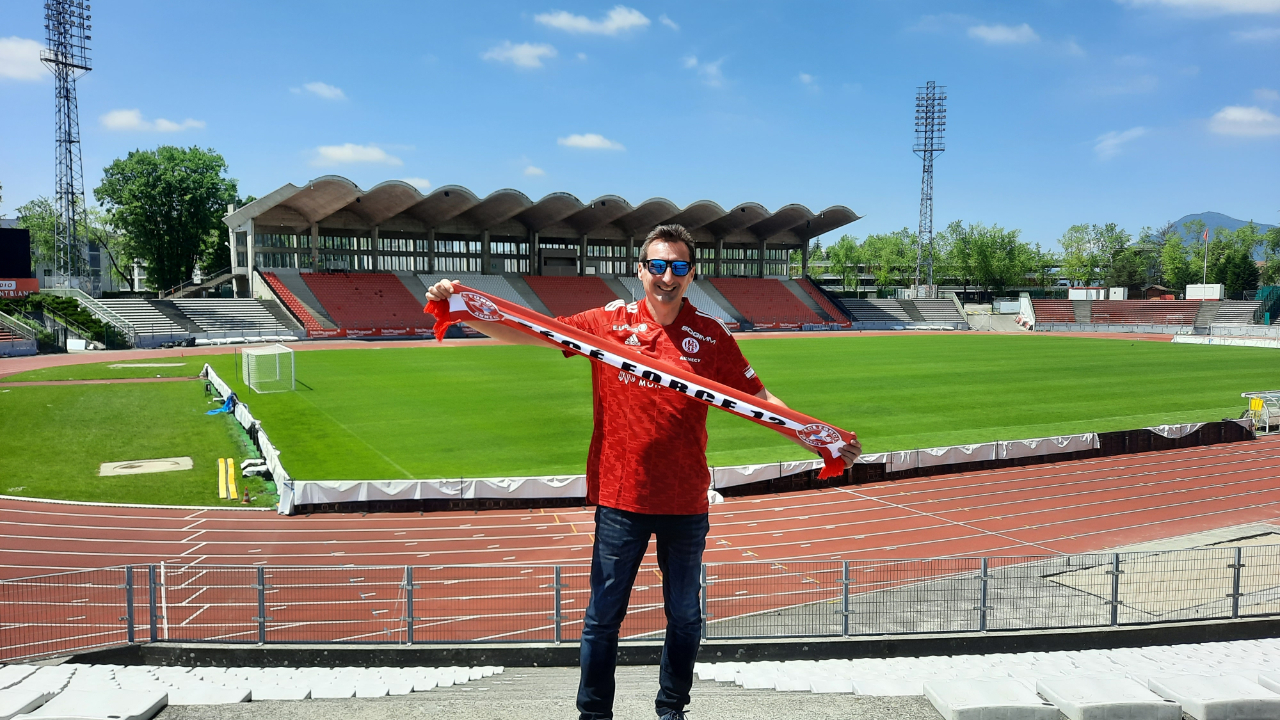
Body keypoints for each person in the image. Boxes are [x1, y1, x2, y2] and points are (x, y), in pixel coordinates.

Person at [426, 224, 861, 720]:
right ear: (641, 270)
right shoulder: (605, 323)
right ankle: (594, 714)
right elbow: (533, 331)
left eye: (678, 267)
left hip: (685, 500)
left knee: (685, 618)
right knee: (602, 620)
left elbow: (759, 401)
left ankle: (672, 710)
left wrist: (818, 435)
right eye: (658, 266)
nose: (667, 277)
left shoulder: (711, 335)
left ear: (691, 274)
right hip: (620, 498)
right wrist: (461, 308)